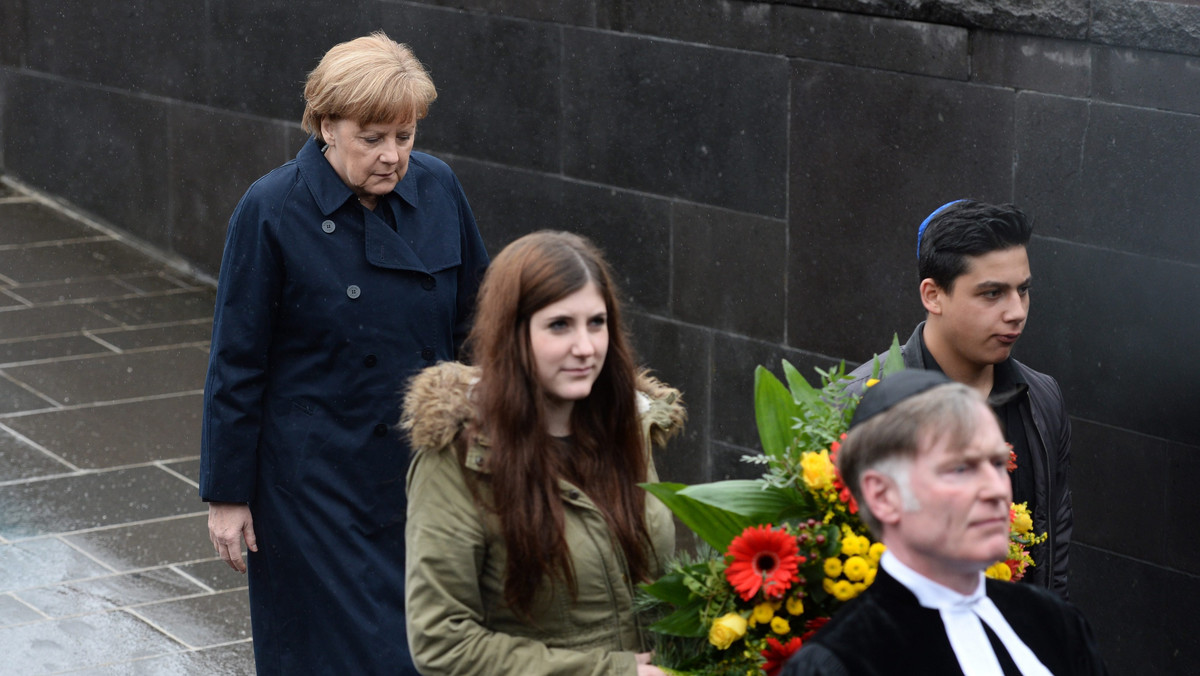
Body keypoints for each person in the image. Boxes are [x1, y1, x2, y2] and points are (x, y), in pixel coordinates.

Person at [200, 33, 488, 674]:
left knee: (429, 647)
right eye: (373, 138)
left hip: (427, 470)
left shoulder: (439, 187)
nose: (393, 157)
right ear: (326, 124)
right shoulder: (272, 208)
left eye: (405, 136)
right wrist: (227, 495)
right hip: (315, 486)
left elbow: (480, 322)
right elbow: (237, 360)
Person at [401, 231, 684, 676]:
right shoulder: (457, 460)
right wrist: (612, 673)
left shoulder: (631, 426)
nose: (585, 347)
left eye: (597, 322)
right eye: (559, 325)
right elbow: (442, 643)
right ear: (512, 333)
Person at [784, 370, 1107, 675]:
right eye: (960, 469)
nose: (996, 489)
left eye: (997, 463)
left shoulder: (1054, 622)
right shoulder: (840, 662)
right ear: (882, 495)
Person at [847, 199, 1070, 598]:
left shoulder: (1043, 398)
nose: (1016, 311)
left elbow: (1055, 546)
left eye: (1023, 290)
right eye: (992, 294)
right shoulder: (858, 404)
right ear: (933, 295)